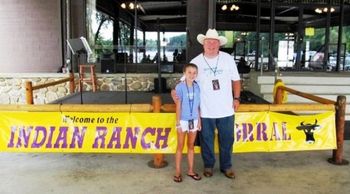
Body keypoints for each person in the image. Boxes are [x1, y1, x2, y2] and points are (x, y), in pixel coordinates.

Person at [172, 28, 241, 179]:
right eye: (208, 42)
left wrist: (236, 98)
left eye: (214, 42)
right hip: (205, 110)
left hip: (226, 109)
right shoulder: (196, 62)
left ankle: (227, 166)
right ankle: (208, 166)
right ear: (203, 44)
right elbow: (183, 82)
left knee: (227, 139)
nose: (211, 45)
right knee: (207, 140)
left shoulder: (228, 59)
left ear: (219, 44)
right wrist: (174, 92)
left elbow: (236, 80)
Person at [173, 63, 202, 183]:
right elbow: (178, 105)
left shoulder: (197, 87)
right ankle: (178, 171)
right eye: (189, 72)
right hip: (183, 121)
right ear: (184, 73)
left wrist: (199, 121)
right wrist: (178, 123)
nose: (192, 75)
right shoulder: (180, 87)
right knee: (180, 146)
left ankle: (190, 170)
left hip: (194, 120)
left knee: (191, 147)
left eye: (194, 72)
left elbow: (198, 106)